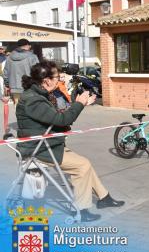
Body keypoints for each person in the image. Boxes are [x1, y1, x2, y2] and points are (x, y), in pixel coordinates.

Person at [16, 61, 124, 222]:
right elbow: (61, 119)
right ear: (46, 80)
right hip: (39, 150)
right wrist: (79, 103)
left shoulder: (38, 94)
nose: (60, 81)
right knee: (82, 166)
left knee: (84, 164)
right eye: (58, 77)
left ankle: (104, 197)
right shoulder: (34, 99)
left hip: (48, 145)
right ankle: (81, 211)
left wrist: (81, 104)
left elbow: (55, 117)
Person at [3, 39, 39, 106]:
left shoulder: (9, 57)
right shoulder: (32, 57)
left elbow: (6, 73)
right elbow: (37, 72)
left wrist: (7, 84)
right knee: (30, 108)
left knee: (18, 108)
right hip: (29, 87)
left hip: (14, 88)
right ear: (27, 45)